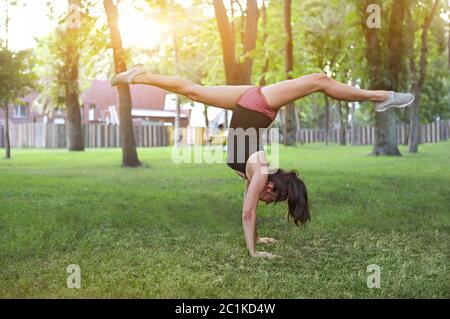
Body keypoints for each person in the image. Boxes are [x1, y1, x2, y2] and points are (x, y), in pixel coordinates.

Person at [111, 65, 414, 259]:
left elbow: (249, 210)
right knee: (319, 80)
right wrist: (254, 252)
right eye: (274, 197)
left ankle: (139, 76)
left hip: (250, 106)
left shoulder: (255, 173)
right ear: (271, 185)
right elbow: (246, 213)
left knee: (193, 90)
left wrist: (258, 236)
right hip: (258, 107)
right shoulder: (258, 174)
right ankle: (380, 96)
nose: (268, 201)